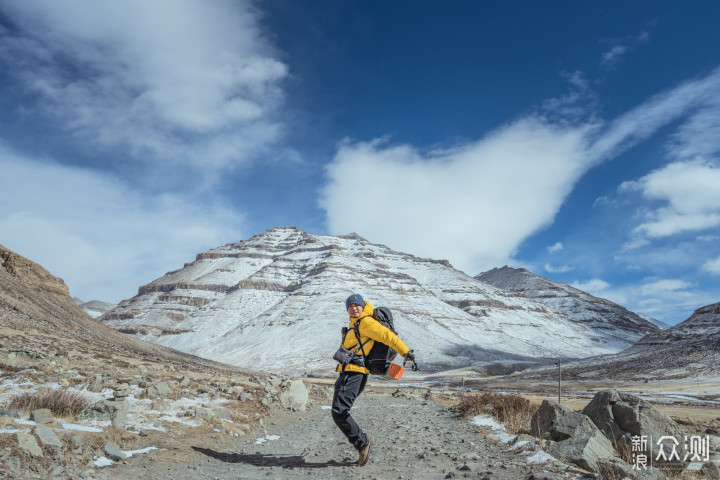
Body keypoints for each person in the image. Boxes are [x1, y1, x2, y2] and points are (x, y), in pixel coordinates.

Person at [331, 293, 416, 466]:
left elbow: (388, 336)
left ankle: (363, 443)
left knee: (339, 412)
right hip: (348, 373)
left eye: (357, 306)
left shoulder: (366, 322)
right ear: (347, 309)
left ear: (363, 306)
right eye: (350, 306)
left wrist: (406, 352)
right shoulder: (356, 324)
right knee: (338, 410)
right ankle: (362, 442)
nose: (354, 308)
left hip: (355, 374)